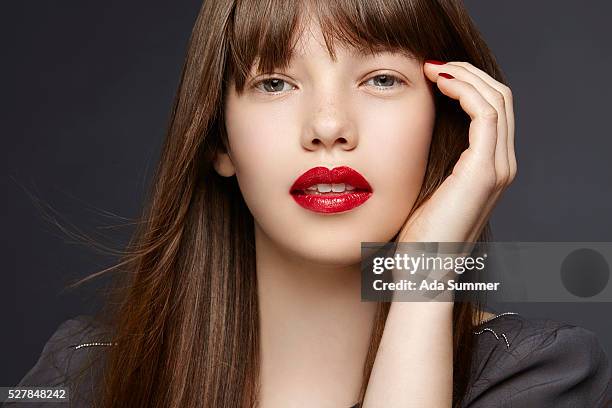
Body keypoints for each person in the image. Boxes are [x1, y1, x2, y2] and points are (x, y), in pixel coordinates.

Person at [9, 0, 611, 407]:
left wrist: (423, 279)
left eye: (381, 79)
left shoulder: (542, 374)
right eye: (274, 82)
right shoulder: (88, 370)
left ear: (449, 121)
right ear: (218, 137)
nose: (327, 126)